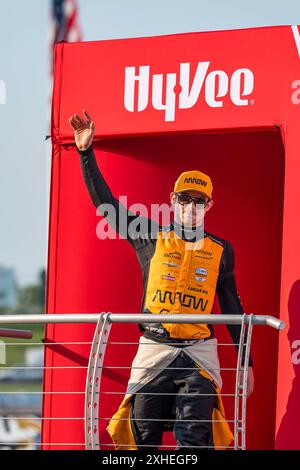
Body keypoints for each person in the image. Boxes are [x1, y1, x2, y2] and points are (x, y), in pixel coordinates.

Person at [69, 110, 254, 450]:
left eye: (199, 201)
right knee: (142, 441)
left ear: (209, 205)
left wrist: (246, 363)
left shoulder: (221, 250)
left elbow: (232, 306)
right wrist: (85, 152)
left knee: (194, 442)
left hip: (199, 357)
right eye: (185, 199)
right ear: (173, 201)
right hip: (154, 349)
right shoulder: (149, 235)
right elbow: (106, 205)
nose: (191, 206)